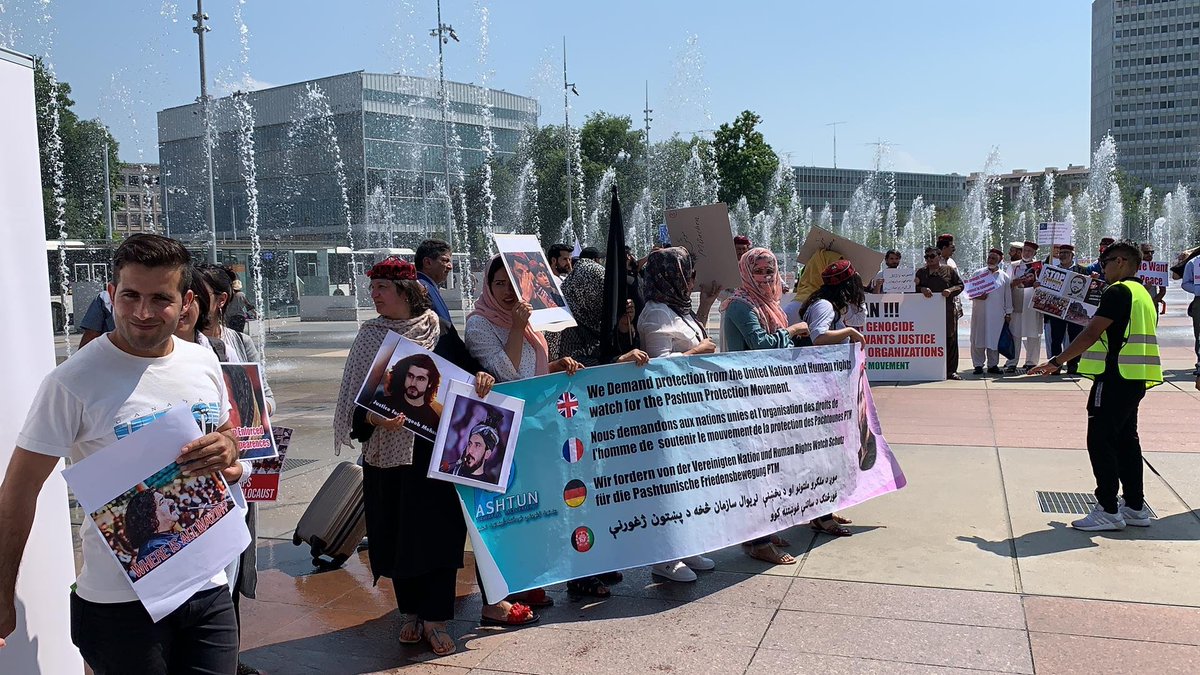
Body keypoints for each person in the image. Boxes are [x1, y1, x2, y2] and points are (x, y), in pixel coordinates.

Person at [0, 234, 243, 672]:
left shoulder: (201, 362)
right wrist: (2, 593)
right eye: (130, 295)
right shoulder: (72, 382)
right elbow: (18, 492)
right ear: (112, 294)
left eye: (160, 299)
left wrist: (227, 450)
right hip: (120, 604)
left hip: (207, 587)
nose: (143, 312)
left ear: (186, 302)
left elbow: (229, 441)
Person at [334, 256, 501, 656]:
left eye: (382, 289)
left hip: (434, 454)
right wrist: (373, 417)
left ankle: (436, 617)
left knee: (438, 535)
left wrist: (482, 377)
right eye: (372, 288)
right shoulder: (370, 336)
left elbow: (469, 375)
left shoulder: (438, 330)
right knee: (395, 534)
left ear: (406, 293)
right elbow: (354, 404)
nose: (374, 296)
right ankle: (410, 611)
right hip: (386, 456)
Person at [465, 256, 587, 603]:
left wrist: (554, 366)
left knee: (534, 506)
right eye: (499, 284)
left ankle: (529, 582)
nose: (506, 291)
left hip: (534, 427)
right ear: (487, 287)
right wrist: (518, 328)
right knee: (506, 512)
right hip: (502, 433)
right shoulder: (480, 324)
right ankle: (504, 590)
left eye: (513, 284)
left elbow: (532, 371)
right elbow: (510, 374)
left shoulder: (528, 321)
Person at [1030, 239, 1162, 531]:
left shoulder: (1117, 292)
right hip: (1135, 377)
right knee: (1127, 440)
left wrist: (1057, 361)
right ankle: (1135, 506)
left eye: (1106, 261)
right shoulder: (1142, 292)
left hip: (1113, 376)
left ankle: (1108, 508)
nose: (1102, 267)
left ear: (1122, 262)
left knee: (1100, 440)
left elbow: (1090, 333)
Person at [173, 265, 265, 675]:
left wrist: (241, 464)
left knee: (226, 578)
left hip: (229, 489)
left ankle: (227, 655)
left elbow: (250, 416)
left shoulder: (222, 351)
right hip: (173, 507)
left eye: (191, 297)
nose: (183, 307)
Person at [636, 247, 722, 582]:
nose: (692, 280)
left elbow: (693, 334)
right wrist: (698, 350)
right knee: (669, 483)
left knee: (689, 481)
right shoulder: (656, 313)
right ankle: (665, 557)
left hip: (690, 410)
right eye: (688, 274)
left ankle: (686, 546)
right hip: (666, 415)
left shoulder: (677, 309)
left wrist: (706, 304)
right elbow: (657, 367)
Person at [722, 248, 813, 559]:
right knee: (756, 470)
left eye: (770, 270)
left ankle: (764, 530)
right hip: (748, 397)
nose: (765, 277)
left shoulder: (768, 304)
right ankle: (758, 542)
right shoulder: (740, 304)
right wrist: (792, 331)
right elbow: (759, 344)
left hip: (768, 394)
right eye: (759, 270)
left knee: (771, 466)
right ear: (746, 272)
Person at [797, 259, 867, 537]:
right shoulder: (825, 306)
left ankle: (825, 507)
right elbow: (818, 337)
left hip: (827, 387)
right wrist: (849, 332)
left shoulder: (829, 305)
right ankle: (822, 516)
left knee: (830, 452)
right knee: (824, 454)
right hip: (819, 390)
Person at [916, 246, 965, 379]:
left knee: (950, 339)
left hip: (947, 311)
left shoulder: (948, 270)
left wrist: (950, 290)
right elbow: (912, 289)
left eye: (932, 256)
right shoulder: (920, 272)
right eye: (926, 257)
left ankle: (951, 371)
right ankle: (930, 369)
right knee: (929, 340)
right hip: (927, 313)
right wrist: (921, 289)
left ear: (939, 257)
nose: (929, 259)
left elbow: (960, 285)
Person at [375, 354, 442, 439]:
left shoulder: (434, 420)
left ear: (430, 383)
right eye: (410, 376)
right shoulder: (382, 402)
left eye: (420, 379)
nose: (413, 383)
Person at [1046, 244, 1089, 374]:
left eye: (1066, 253)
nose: (1063, 255)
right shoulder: (1052, 270)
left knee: (1075, 338)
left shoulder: (1081, 270)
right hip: (1057, 309)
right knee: (1056, 338)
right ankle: (1056, 365)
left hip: (1075, 311)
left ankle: (1073, 364)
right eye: (1061, 253)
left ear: (1072, 256)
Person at [969, 248, 1013, 375]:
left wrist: (1008, 313)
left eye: (994, 258)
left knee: (994, 338)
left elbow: (1007, 296)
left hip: (997, 314)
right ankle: (978, 365)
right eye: (989, 257)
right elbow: (969, 292)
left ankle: (993, 365)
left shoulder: (1004, 276)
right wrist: (978, 296)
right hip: (980, 313)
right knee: (978, 338)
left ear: (1000, 260)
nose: (990, 260)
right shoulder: (978, 273)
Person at [1005, 241, 1042, 373]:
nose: (1026, 253)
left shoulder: (1040, 267)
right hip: (1018, 304)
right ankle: (1011, 362)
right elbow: (1006, 284)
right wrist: (1014, 283)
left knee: (1033, 335)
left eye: (1029, 251)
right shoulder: (1014, 266)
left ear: (1034, 253)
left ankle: (1031, 362)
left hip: (1033, 305)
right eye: (1025, 250)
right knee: (1015, 334)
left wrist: (1039, 284)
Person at [446, 411, 504, 485]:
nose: (470, 450)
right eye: (470, 444)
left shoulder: (487, 486)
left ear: (487, 454)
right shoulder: (452, 474)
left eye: (477, 445)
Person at [125, 490, 181, 564]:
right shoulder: (153, 550)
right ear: (151, 518)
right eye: (162, 502)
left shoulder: (160, 540)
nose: (171, 501)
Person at [415, 239, 454, 323]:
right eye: (445, 260)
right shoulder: (421, 288)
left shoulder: (428, 286)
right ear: (427, 263)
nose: (450, 267)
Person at [1181, 254, 1200, 375]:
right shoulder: (1193, 263)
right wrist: (1197, 289)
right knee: (1199, 333)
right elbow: (1185, 283)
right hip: (1199, 300)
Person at [1140, 243, 1167, 314]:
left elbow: (1163, 291)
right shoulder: (1133, 268)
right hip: (1137, 304)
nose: (1150, 254)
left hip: (1153, 304)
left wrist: (1152, 303)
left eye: (1152, 252)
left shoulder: (1158, 268)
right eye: (1146, 252)